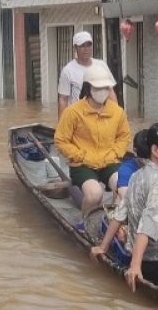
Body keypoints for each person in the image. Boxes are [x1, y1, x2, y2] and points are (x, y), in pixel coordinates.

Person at [91, 122, 158, 293]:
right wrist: (135, 266)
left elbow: (120, 213)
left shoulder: (137, 175)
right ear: (155, 151)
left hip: (147, 260)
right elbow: (148, 225)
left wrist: (103, 246)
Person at [53, 61, 130, 218]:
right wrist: (79, 155)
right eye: (97, 88)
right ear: (88, 88)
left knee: (124, 189)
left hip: (109, 161)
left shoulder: (117, 112)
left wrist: (115, 154)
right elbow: (61, 140)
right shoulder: (73, 112)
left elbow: (124, 137)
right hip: (83, 164)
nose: (102, 92)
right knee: (95, 194)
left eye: (105, 88)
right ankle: (86, 221)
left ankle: (113, 221)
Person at [57, 30, 116, 115]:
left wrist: (116, 115)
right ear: (75, 48)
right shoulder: (68, 71)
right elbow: (63, 99)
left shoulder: (102, 65)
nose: (86, 49)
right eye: (82, 46)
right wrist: (62, 122)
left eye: (89, 45)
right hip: (79, 115)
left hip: (101, 114)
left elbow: (110, 91)